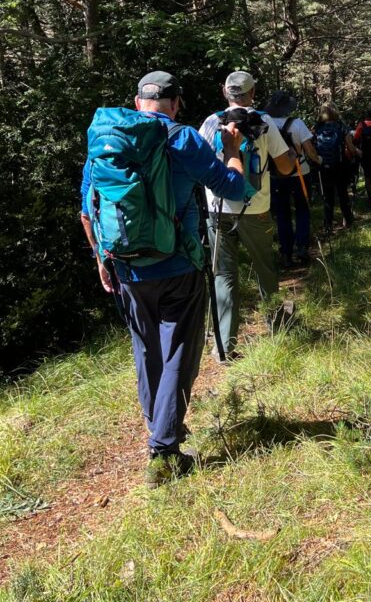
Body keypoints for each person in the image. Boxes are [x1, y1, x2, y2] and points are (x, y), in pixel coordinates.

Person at [80, 70, 245, 488]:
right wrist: (232, 149)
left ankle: (160, 428)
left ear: (138, 102)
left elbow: (87, 209)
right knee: (179, 354)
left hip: (128, 267)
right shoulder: (183, 138)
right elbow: (234, 188)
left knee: (147, 351)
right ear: (176, 103)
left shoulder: (107, 138)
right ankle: (164, 448)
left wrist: (102, 257)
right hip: (178, 265)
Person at [199, 71, 295, 358]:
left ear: (224, 92)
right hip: (256, 208)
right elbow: (286, 168)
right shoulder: (263, 122)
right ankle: (276, 328)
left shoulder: (211, 122)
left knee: (223, 275)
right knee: (265, 268)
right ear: (253, 93)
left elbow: (200, 162)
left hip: (217, 208)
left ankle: (224, 346)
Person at [265, 89, 321, 267]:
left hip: (276, 175)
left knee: (282, 214)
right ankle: (302, 248)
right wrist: (319, 159)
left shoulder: (266, 124)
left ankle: (286, 252)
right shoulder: (297, 124)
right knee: (302, 209)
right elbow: (309, 150)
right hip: (300, 173)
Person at [314, 102, 359, 235]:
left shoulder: (317, 127)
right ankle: (348, 221)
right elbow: (350, 147)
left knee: (328, 197)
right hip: (339, 165)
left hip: (323, 166)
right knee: (342, 194)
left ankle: (328, 226)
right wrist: (357, 152)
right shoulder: (341, 127)